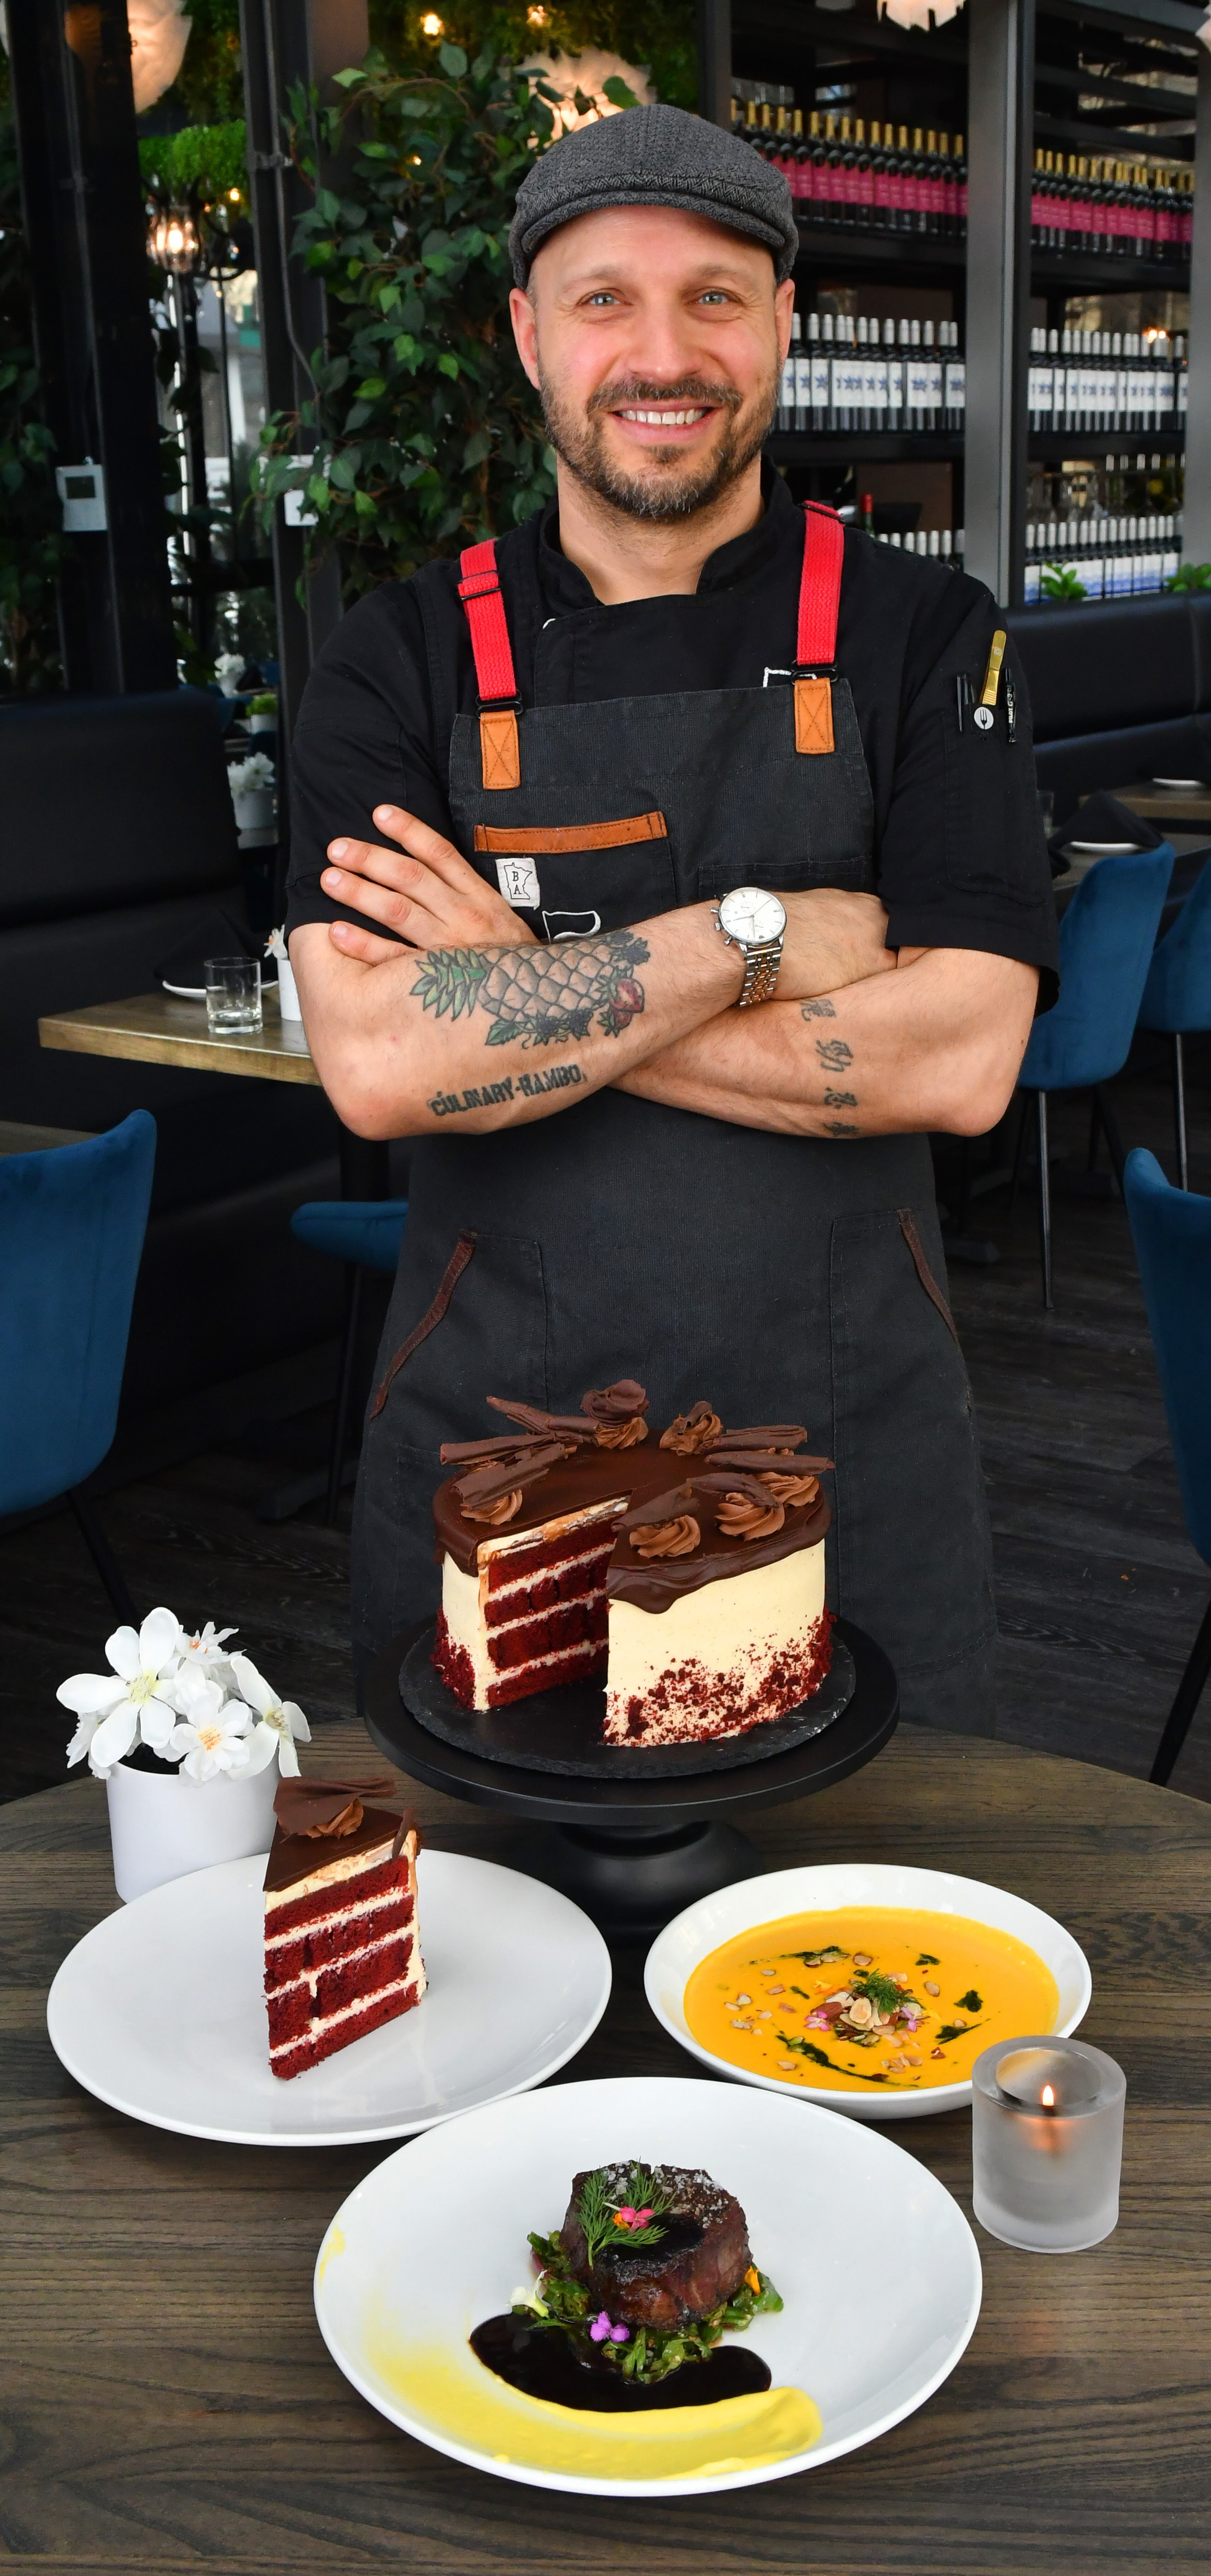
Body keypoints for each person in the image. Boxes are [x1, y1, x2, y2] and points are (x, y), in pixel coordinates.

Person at [285, 103, 1058, 1727]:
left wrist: (520, 986)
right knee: (495, 1877)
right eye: (605, 300)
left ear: (784, 320)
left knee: (866, 1877)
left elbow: (963, 1059)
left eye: (715, 296)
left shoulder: (928, 634)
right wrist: (756, 939)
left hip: (843, 1431)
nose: (663, 353)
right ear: (528, 336)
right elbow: (377, 1063)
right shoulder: (398, 658)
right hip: (499, 1448)